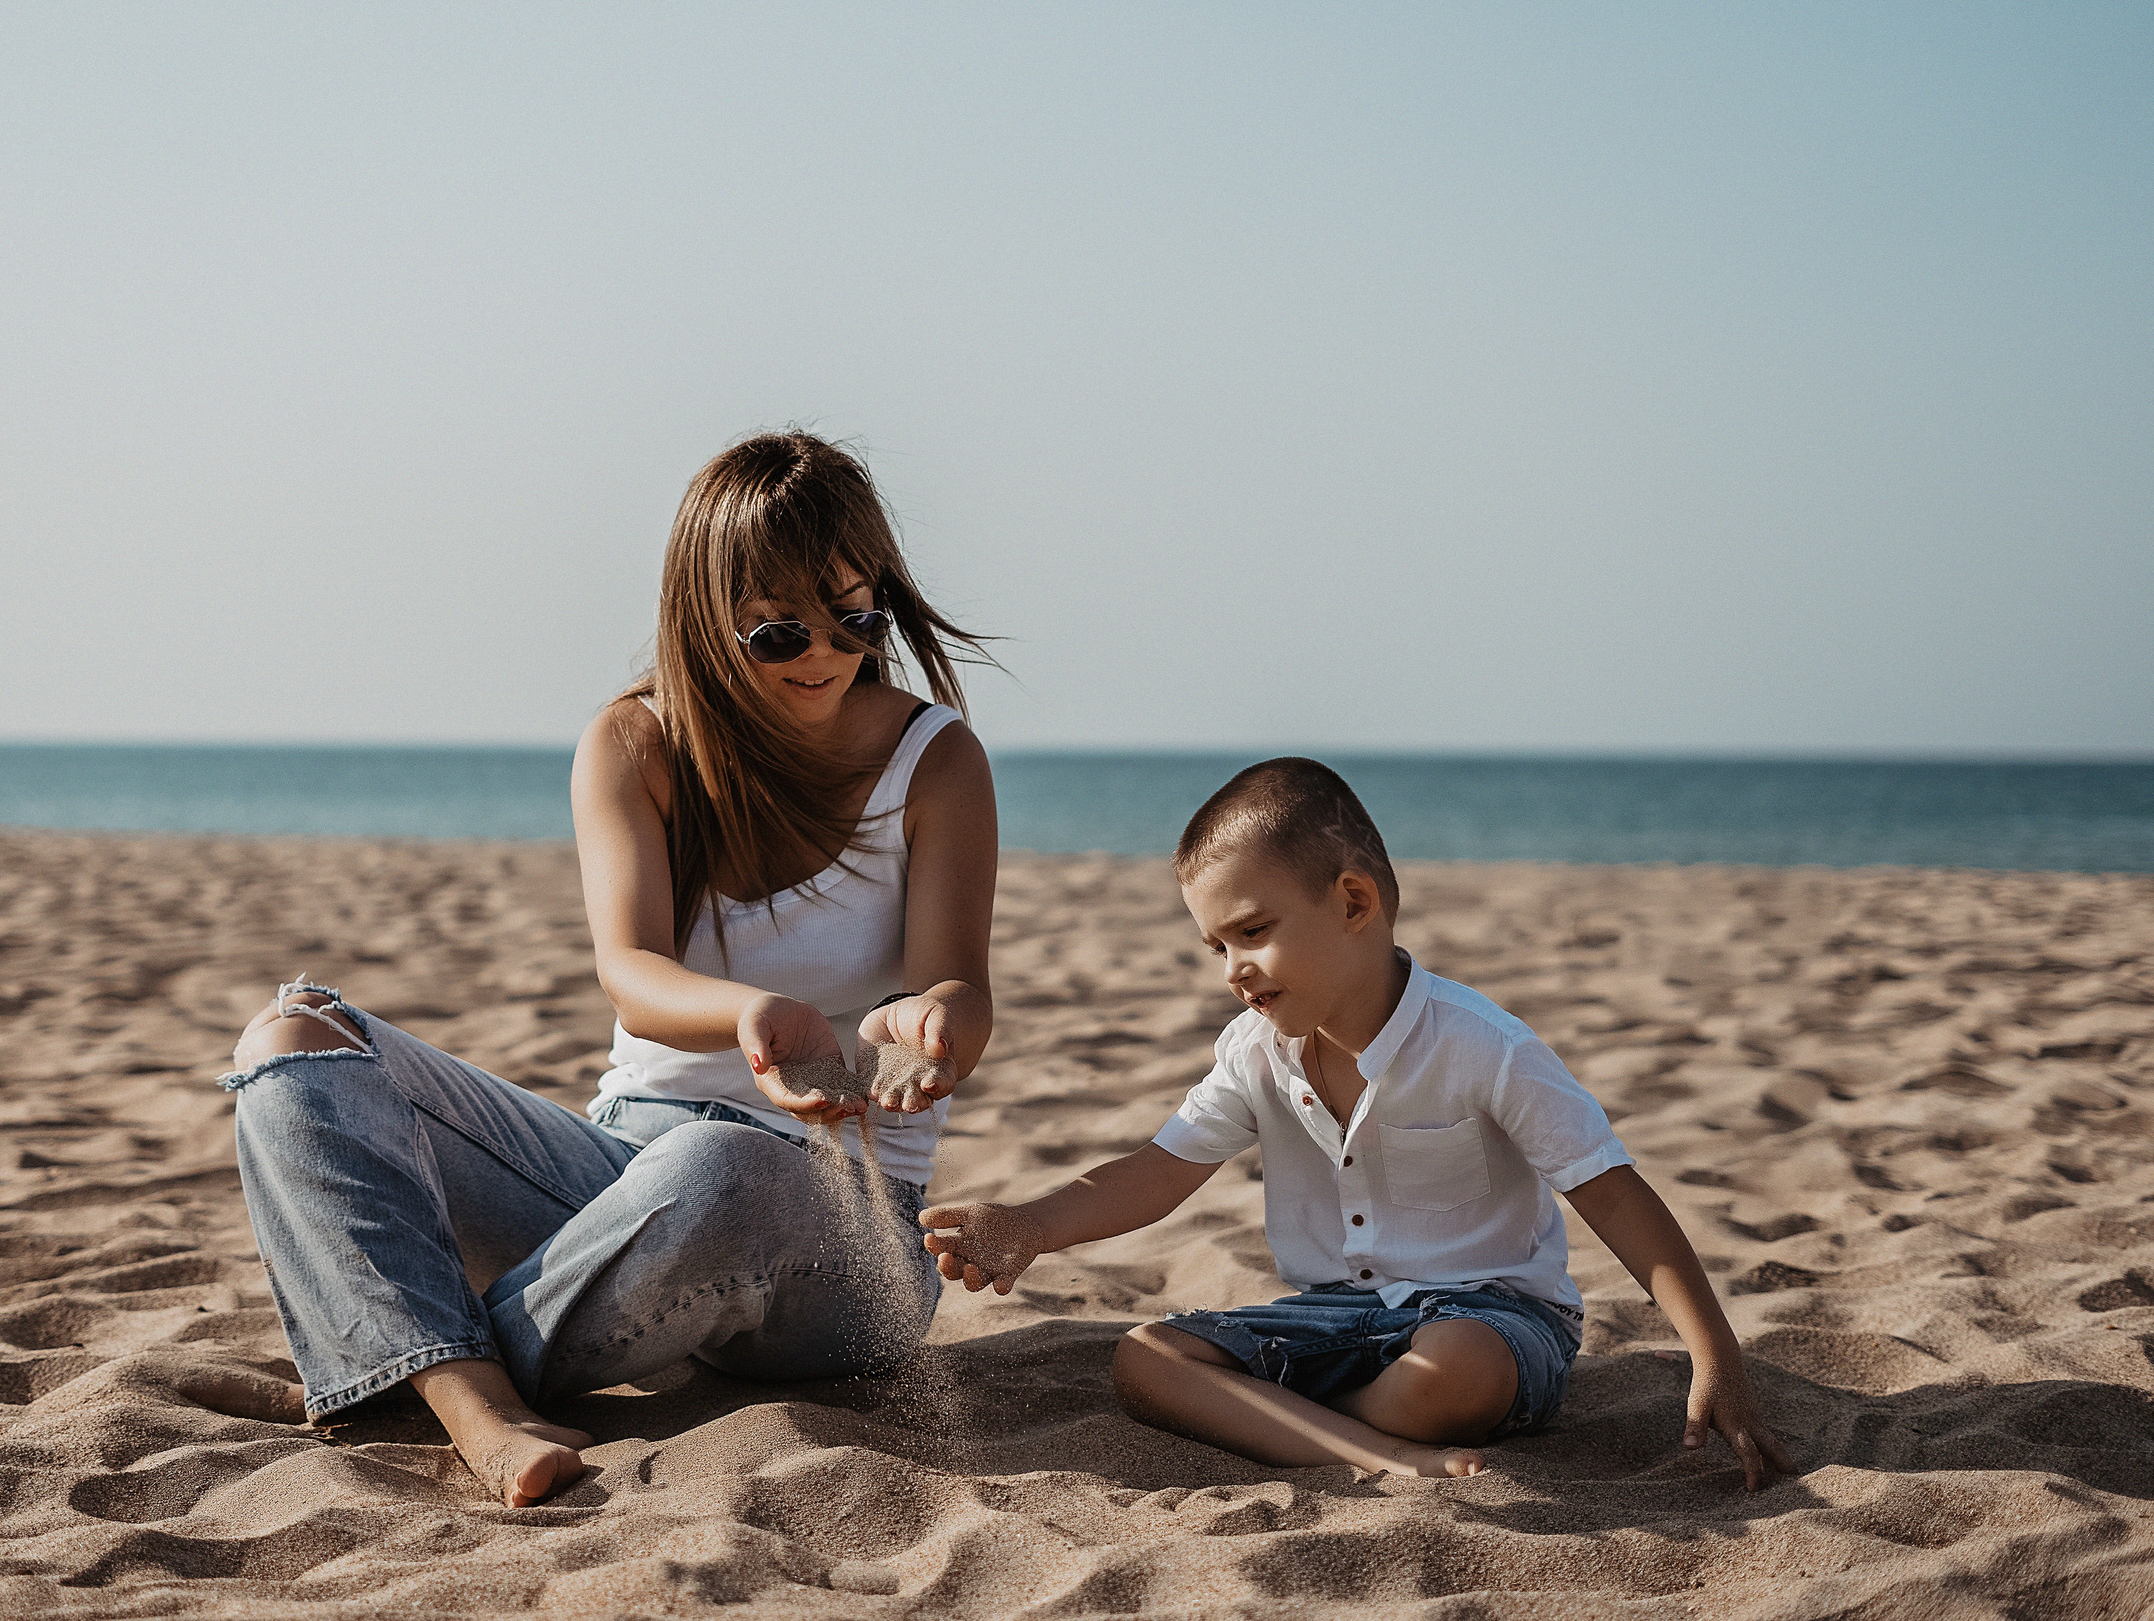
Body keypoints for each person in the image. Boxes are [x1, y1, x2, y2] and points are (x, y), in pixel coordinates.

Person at [220, 431, 999, 1507]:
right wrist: (754, 1014)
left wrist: (929, 1027)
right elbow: (630, 968)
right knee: (294, 1040)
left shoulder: (935, 758)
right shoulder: (635, 743)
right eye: (778, 633)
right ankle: (470, 1401)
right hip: (622, 1180)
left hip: (849, 1235)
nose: (822, 655)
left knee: (721, 1166)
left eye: (854, 620)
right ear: (704, 617)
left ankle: (418, 1368)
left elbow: (955, 984)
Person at [920, 758, 1795, 1487]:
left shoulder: (1484, 1046)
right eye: (1216, 947)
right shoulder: (1253, 1051)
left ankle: (1304, 1423)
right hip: (1338, 1315)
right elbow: (1159, 1168)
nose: (1232, 970)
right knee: (1145, 1359)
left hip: (1493, 1318)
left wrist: (1715, 1354)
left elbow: (1615, 1197)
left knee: (1451, 1373)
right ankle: (1373, 1450)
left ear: (1352, 903)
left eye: (1252, 932)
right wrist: (1031, 1224)